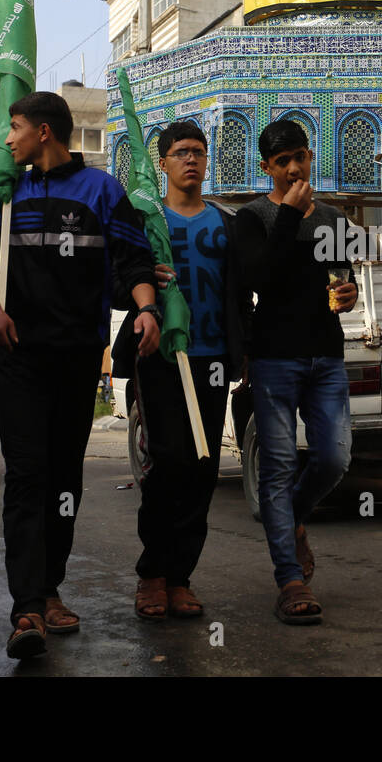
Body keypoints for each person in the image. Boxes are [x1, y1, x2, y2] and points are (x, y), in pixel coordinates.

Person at [0, 90, 160, 660]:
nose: (8, 137)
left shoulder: (102, 190)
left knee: (62, 480)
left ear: (44, 132)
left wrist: (147, 308)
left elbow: (132, 261)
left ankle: (50, 587)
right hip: (19, 357)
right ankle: (26, 605)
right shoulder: (8, 191)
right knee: (26, 474)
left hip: (78, 355)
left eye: (16, 127)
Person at [111, 120, 252, 622]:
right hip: (161, 357)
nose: (191, 159)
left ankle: (180, 578)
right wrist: (148, 280)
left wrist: (245, 349)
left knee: (203, 467)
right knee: (166, 464)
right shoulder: (148, 221)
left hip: (213, 359)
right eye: (181, 152)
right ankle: (152, 575)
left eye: (199, 151)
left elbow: (244, 292)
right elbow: (116, 281)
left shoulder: (226, 223)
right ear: (164, 162)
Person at [235, 119, 357, 625]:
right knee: (279, 466)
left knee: (333, 459)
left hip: (326, 356)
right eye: (281, 161)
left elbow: (340, 281)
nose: (293, 167)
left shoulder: (333, 219)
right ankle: (290, 580)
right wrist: (287, 213)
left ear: (310, 157)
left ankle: (294, 521)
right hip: (274, 358)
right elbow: (260, 277)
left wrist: (350, 296)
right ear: (267, 167)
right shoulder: (253, 218)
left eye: (299, 157)